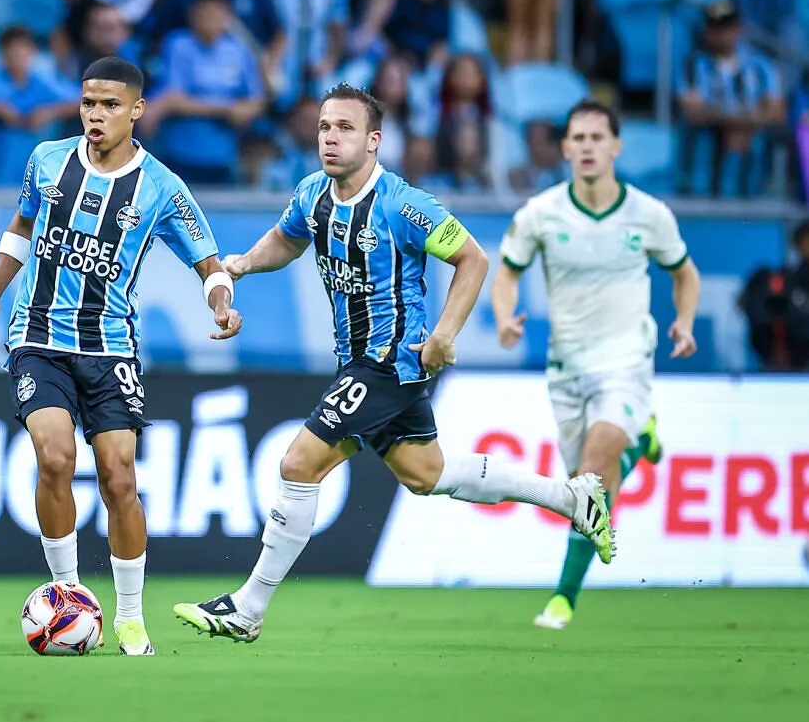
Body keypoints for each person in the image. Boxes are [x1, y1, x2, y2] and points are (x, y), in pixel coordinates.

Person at [174, 84, 615, 644]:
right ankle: (571, 497)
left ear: (374, 141)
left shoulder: (404, 204)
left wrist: (444, 334)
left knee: (298, 464)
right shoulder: (312, 193)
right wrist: (242, 264)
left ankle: (248, 607)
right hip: (357, 362)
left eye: (346, 129)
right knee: (425, 475)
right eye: (324, 127)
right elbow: (286, 241)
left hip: (389, 363)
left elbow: (473, 258)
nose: (331, 138)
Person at [0, 56, 242, 656]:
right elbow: (20, 224)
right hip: (36, 335)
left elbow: (209, 261)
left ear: (137, 110)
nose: (96, 115)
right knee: (55, 456)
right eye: (89, 103)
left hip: (109, 345)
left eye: (110, 105)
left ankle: (130, 616)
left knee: (119, 477)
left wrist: (220, 304)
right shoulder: (46, 160)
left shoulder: (162, 188)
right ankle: (67, 594)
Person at [492, 98, 701, 630]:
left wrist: (684, 321)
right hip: (566, 369)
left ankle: (563, 598)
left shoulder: (649, 215)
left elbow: (685, 274)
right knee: (585, 489)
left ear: (615, 146)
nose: (587, 147)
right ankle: (643, 442)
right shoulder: (540, 212)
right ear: (565, 148)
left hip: (626, 360)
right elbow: (506, 271)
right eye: (577, 139)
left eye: (596, 138)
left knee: (594, 467)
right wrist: (504, 318)